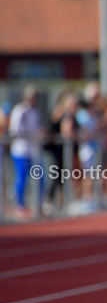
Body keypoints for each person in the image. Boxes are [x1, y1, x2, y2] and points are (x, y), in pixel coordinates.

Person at [8, 86, 43, 219]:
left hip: (34, 151)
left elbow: (37, 128)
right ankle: (20, 206)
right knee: (21, 178)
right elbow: (14, 130)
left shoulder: (35, 111)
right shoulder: (20, 110)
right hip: (21, 151)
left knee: (40, 178)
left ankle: (38, 205)